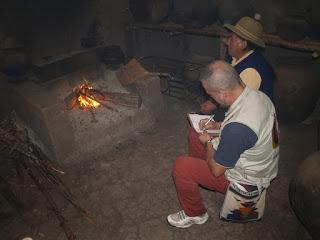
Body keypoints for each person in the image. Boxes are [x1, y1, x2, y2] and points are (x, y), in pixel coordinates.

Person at [167, 60, 279, 228]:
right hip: (258, 159)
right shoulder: (256, 96)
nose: (210, 98)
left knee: (181, 167)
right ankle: (197, 174)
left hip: (246, 180)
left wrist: (211, 141)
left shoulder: (238, 129)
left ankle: (196, 214)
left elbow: (217, 170)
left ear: (222, 93)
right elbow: (244, 128)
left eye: (210, 95)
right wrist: (217, 126)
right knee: (194, 133)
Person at [201, 16, 275, 115]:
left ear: (242, 44)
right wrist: (213, 102)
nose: (227, 42)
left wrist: (214, 104)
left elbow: (238, 104)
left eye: (231, 38)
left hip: (252, 117)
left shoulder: (251, 71)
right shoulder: (239, 58)